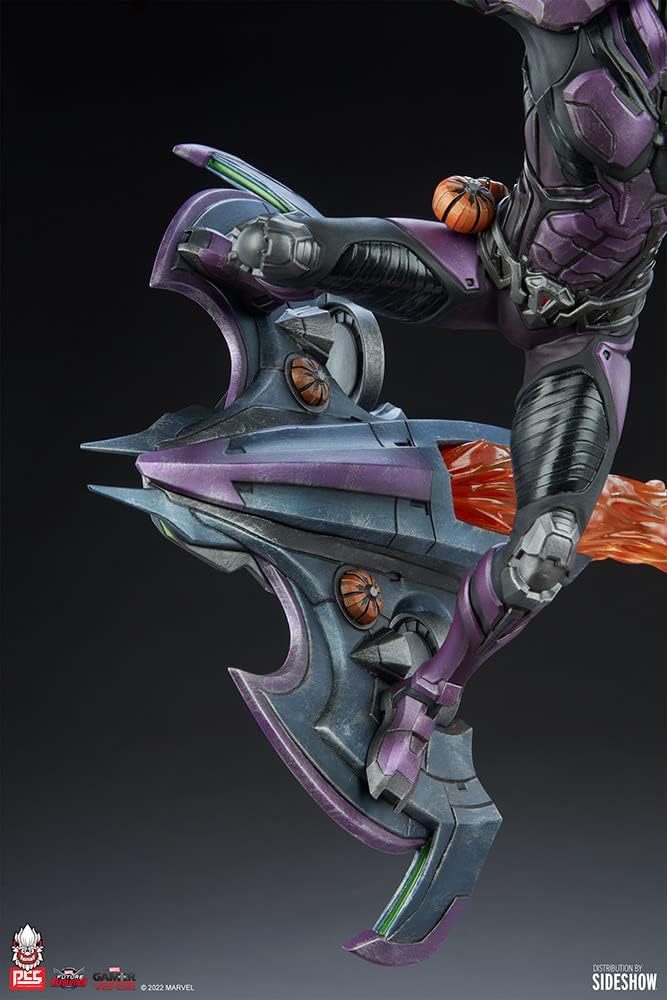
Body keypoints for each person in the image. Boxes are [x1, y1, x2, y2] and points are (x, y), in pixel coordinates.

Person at [187, 0, 667, 809]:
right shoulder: (575, 17)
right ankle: (269, 325)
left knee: (543, 551)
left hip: (583, 343)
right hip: (492, 262)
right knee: (280, 248)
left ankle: (426, 697)